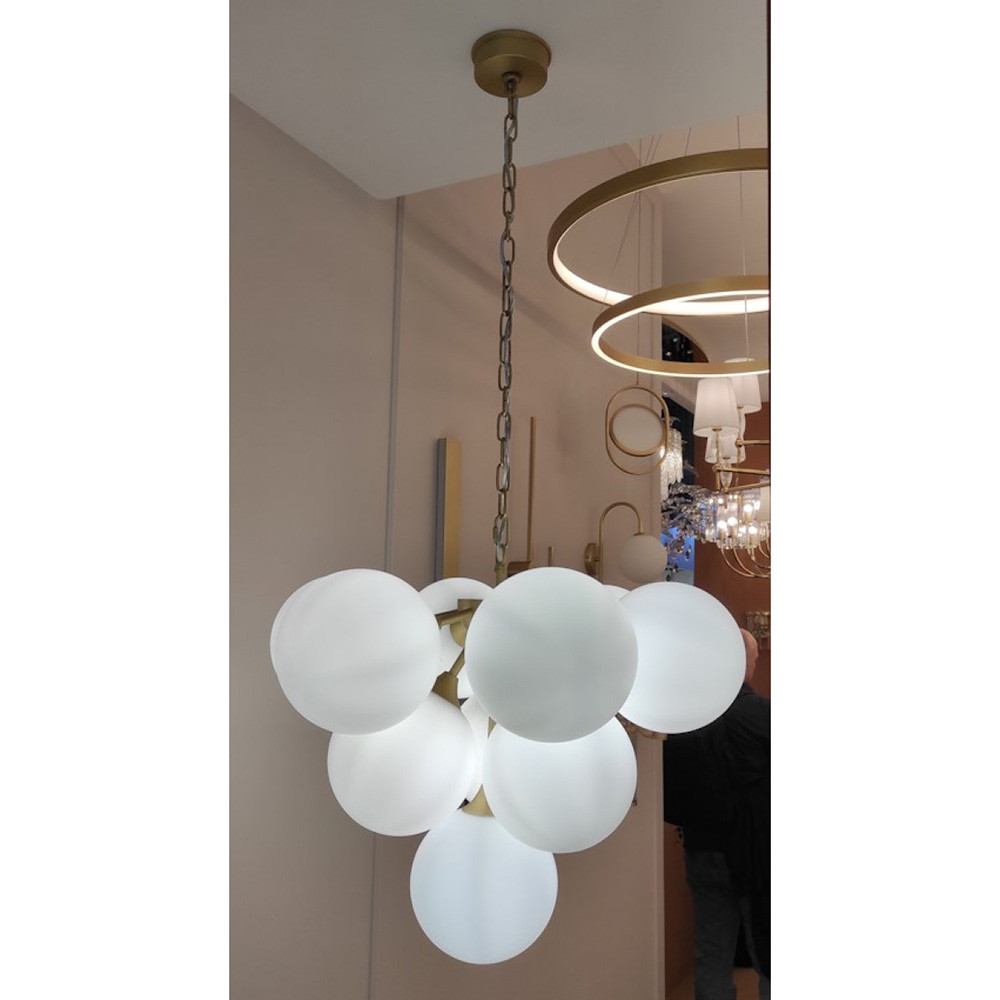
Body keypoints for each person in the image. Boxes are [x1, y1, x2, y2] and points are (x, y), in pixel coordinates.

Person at [662, 627, 770, 1000]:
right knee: (769, 951)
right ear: (742, 662)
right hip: (758, 854)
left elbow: (670, 790)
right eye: (754, 659)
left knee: (711, 952)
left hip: (703, 849)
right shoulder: (763, 715)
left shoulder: (686, 717)